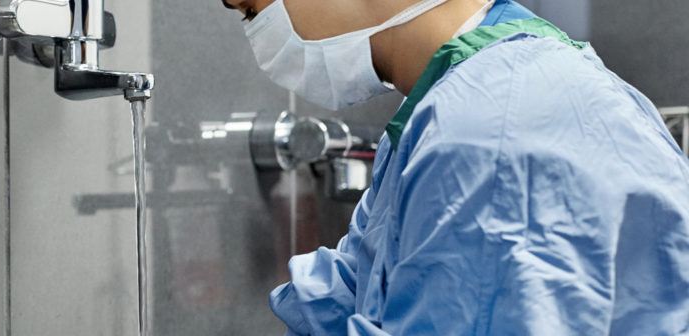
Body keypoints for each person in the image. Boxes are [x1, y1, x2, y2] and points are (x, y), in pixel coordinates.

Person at [223, 0, 689, 334]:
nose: (235, 1)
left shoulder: (491, 131)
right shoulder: (462, 101)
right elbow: (353, 289)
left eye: (251, 9)